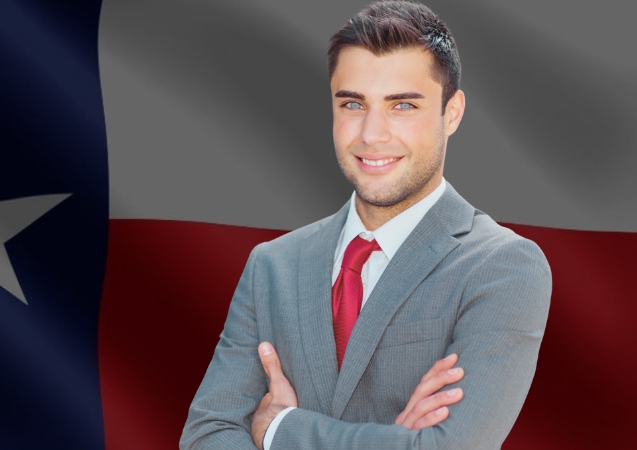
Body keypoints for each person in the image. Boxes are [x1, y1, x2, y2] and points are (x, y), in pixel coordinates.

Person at [180, 1, 551, 449]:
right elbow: (206, 436)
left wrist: (278, 428)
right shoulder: (271, 265)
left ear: (451, 113)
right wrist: (394, 440)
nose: (372, 134)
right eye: (354, 103)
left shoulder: (503, 267)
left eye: (403, 106)